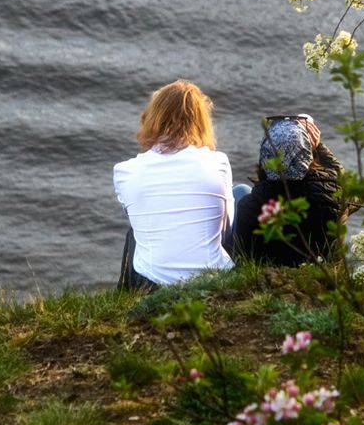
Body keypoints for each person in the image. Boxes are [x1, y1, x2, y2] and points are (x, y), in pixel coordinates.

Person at [114, 81, 237, 288]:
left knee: (136, 232)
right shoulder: (218, 162)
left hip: (152, 283)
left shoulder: (124, 171)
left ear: (152, 119)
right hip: (214, 278)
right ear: (201, 121)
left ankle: (125, 294)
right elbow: (227, 226)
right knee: (241, 192)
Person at [226, 115, 349, 267]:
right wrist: (318, 146)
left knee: (240, 190)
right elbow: (346, 184)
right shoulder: (332, 197)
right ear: (307, 154)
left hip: (265, 276)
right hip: (321, 276)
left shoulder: (250, 207)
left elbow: (240, 253)